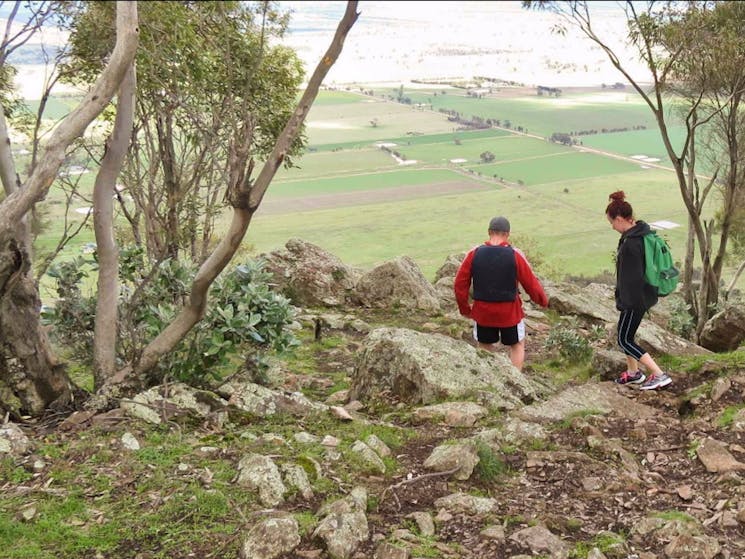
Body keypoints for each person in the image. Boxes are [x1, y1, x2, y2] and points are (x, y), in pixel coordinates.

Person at [454, 216, 548, 370]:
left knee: (484, 346)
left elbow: (460, 284)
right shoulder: (515, 254)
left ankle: (488, 380)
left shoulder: (474, 253)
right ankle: (516, 380)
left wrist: (465, 309)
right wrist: (543, 301)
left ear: (489, 232)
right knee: (517, 345)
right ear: (507, 234)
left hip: (483, 312)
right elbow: (530, 282)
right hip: (510, 312)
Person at [606, 190, 672, 390]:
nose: (611, 226)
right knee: (626, 334)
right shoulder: (640, 234)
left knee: (624, 340)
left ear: (619, 219)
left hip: (635, 300)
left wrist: (625, 303)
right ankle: (634, 373)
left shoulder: (631, 244)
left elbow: (632, 279)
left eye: (611, 222)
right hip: (642, 296)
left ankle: (659, 374)